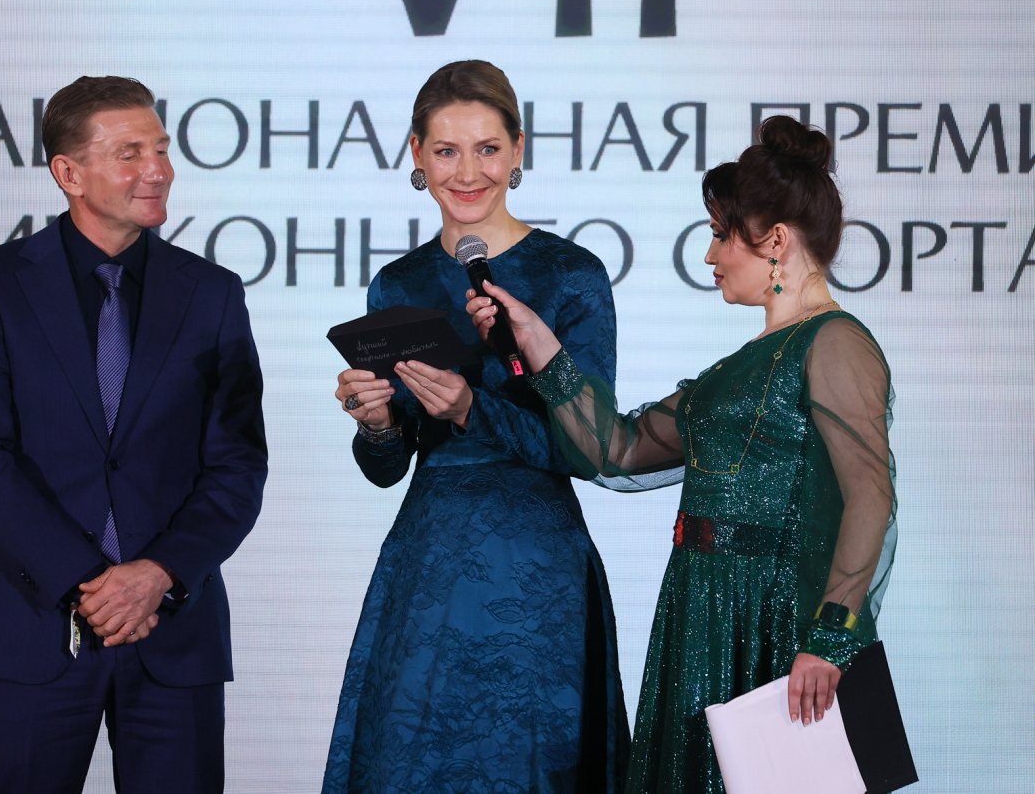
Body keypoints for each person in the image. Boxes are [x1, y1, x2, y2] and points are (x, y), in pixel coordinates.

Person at [467, 116, 898, 794]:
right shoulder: (735, 370)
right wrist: (537, 341)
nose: (710, 255)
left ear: (775, 241)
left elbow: (870, 495)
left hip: (774, 622)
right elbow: (617, 448)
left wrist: (830, 637)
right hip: (701, 614)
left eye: (722, 234)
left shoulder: (836, 341)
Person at [0, 75, 267, 794]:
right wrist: (90, 584)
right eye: (130, 154)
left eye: (161, 149)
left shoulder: (212, 293)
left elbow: (238, 464)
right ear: (69, 173)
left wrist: (157, 575)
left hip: (173, 630)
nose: (158, 170)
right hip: (33, 624)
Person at [324, 60, 629, 794]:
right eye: (447, 151)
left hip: (536, 561)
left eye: (488, 149)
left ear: (518, 150)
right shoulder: (398, 284)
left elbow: (590, 450)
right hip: (429, 559)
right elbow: (388, 466)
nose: (467, 173)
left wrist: (471, 408)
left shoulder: (572, 274)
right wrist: (377, 423)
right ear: (417, 154)